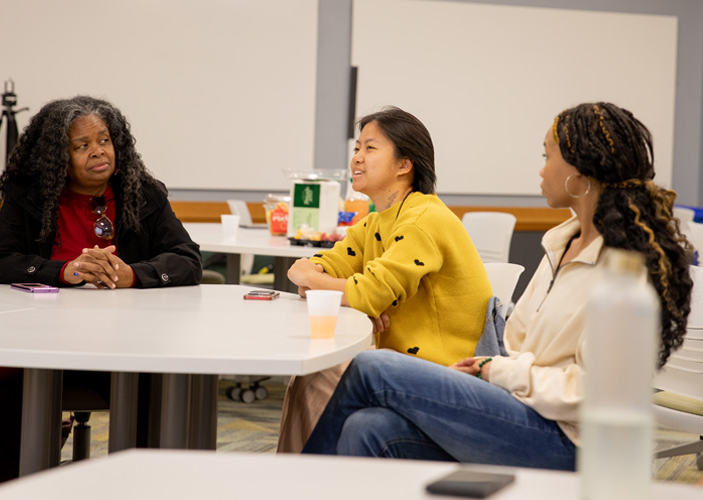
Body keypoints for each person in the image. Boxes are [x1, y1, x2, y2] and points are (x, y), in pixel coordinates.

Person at [302, 102, 693, 470]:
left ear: (579, 170)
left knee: (373, 366)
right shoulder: (562, 245)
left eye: (547, 157)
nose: (541, 171)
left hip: (574, 442)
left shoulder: (624, 267)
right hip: (521, 409)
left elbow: (596, 395)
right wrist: (494, 371)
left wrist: (499, 372)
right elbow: (520, 345)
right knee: (367, 427)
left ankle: (295, 485)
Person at [0, 95, 203, 481]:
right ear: (57, 158)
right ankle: (22, 478)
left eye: (104, 140)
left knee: (168, 382)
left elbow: (187, 258)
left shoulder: (142, 193)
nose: (98, 152)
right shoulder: (30, 196)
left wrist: (134, 275)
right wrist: (63, 271)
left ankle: (145, 482)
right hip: (41, 344)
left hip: (128, 346)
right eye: (82, 146)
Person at [279, 106, 492, 452]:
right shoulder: (375, 223)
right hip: (398, 368)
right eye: (356, 149)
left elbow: (367, 292)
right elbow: (316, 269)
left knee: (317, 373)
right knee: (312, 373)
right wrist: (313, 277)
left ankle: (303, 479)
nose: (357, 159)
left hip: (446, 374)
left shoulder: (424, 218)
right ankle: (305, 481)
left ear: (404, 165)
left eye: (370, 148)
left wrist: (353, 296)